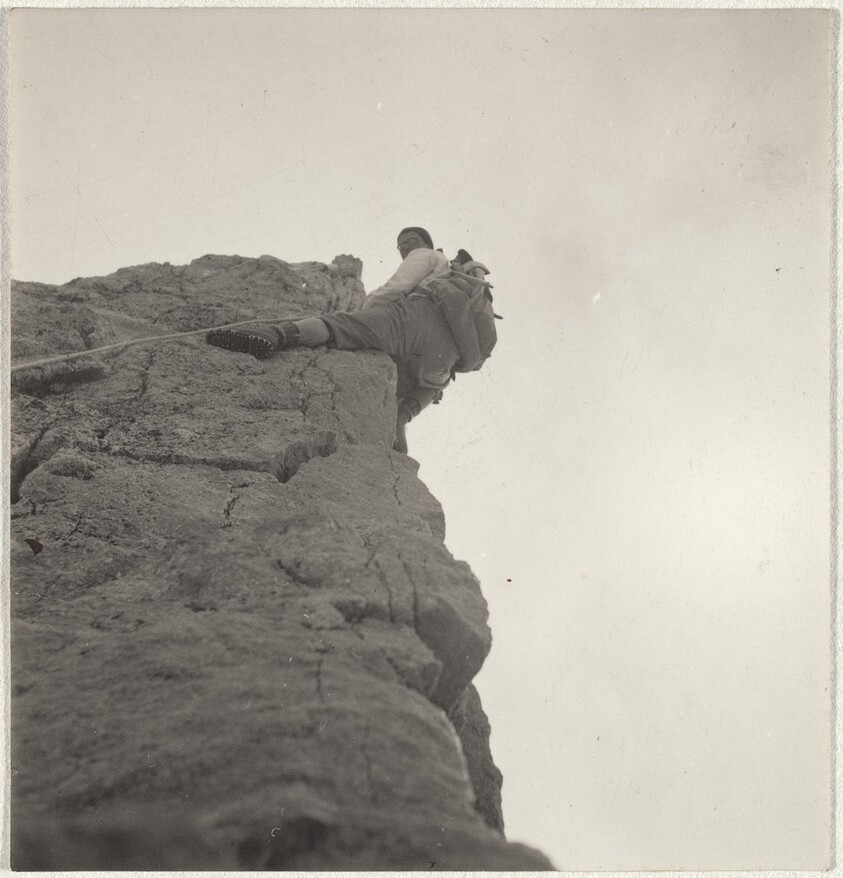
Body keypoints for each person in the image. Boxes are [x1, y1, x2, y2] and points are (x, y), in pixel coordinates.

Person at [206, 227, 473, 453]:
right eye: (401, 245)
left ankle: (274, 335)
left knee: (341, 324)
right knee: (432, 384)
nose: (405, 248)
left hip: (416, 317)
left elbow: (398, 286)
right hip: (447, 351)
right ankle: (400, 419)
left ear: (427, 245)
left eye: (410, 242)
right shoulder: (460, 283)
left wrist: (365, 313)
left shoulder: (424, 256)